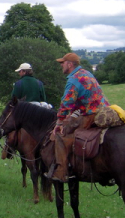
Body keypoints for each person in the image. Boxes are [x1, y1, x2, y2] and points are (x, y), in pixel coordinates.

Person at [46, 53, 109, 182]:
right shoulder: (87, 73)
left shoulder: (73, 80)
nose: (61, 65)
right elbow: (84, 97)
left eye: (62, 63)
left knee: (61, 136)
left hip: (91, 115)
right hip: (104, 111)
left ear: (69, 64)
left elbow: (66, 103)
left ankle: (61, 172)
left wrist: (59, 123)